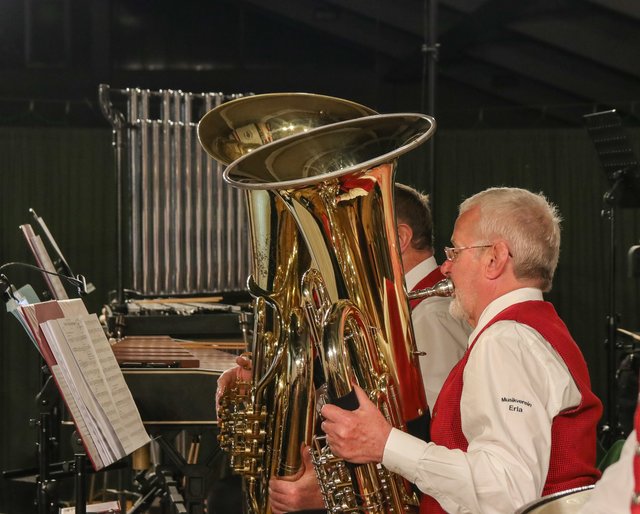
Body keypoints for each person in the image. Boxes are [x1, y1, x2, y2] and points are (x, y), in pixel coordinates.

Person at [320, 186, 603, 514]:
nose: (445, 267)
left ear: (494, 258)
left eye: (455, 252)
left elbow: (507, 492)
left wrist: (384, 444)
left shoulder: (505, 340)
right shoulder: (535, 328)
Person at [216, 183, 470, 514]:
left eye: (343, 238)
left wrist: (327, 493)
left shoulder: (431, 317)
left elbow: (429, 445)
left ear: (400, 238)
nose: (335, 254)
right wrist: (275, 385)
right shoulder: (405, 310)